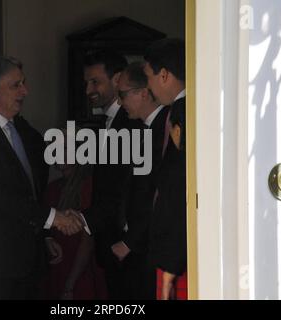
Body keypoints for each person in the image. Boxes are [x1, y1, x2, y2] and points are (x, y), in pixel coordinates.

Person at [0, 56, 83, 299]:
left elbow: (33, 190)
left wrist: (45, 235)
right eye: (15, 85)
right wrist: (53, 218)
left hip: (28, 262)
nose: (25, 91)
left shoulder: (26, 132)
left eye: (24, 83)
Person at [78, 50, 142, 299]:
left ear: (117, 80)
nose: (88, 90)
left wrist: (82, 219)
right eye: (86, 83)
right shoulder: (108, 124)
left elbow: (125, 187)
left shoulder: (132, 123)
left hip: (126, 246)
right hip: (111, 245)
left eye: (95, 81)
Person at [112, 61, 170, 299]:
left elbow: (158, 193)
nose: (119, 102)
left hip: (149, 247)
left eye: (122, 95)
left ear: (143, 93)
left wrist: (130, 241)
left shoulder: (165, 129)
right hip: (139, 246)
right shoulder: (144, 129)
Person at [144, 39, 188, 300]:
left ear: (164, 74)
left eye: (148, 77)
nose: (148, 87)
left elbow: (178, 186)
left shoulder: (183, 113)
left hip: (178, 253)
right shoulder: (182, 110)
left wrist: (170, 262)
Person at [42, 132, 107, 299]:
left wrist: (70, 285)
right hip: (58, 268)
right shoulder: (52, 188)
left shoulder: (88, 186)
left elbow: (88, 241)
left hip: (80, 272)